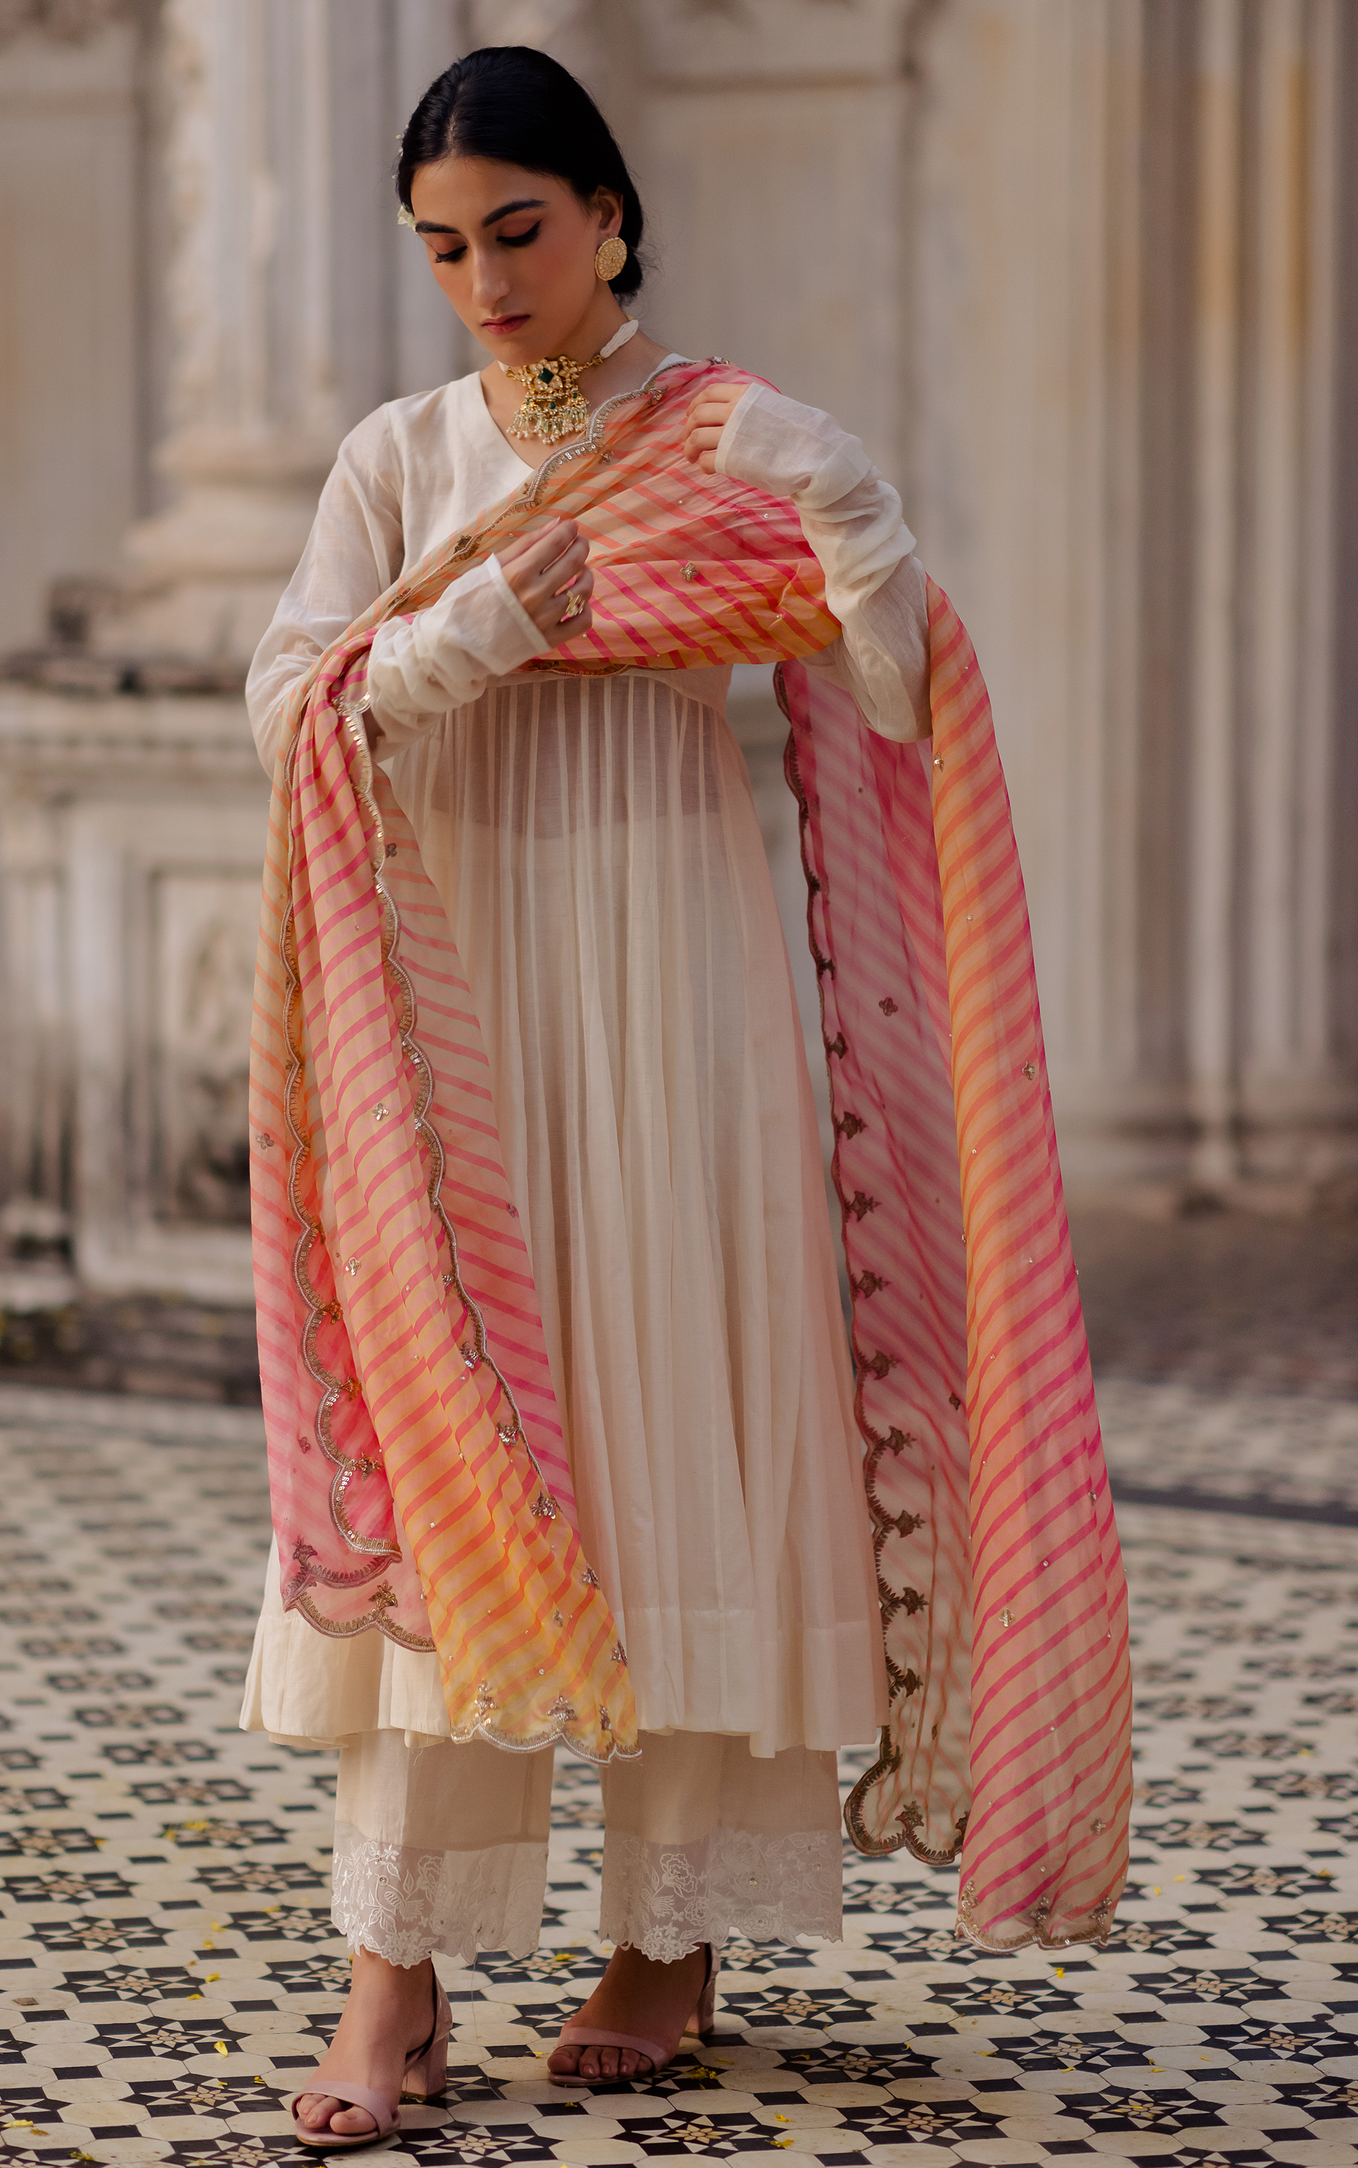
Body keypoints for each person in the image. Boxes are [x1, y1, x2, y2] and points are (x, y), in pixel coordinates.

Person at [241, 41, 1130, 2154]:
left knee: (682, 1431)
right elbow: (293, 705)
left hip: (678, 1002)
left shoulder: (723, 436)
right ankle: (395, 1973)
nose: (483, 281)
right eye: (443, 247)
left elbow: (906, 699)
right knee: (456, 1458)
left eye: (517, 231)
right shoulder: (398, 456)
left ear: (612, 213)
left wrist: (848, 517)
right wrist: (462, 634)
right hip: (457, 1023)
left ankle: (669, 1936)